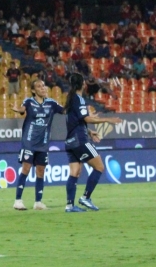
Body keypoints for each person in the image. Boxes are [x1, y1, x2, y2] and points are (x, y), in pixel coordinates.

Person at [63, 73, 122, 212]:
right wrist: (108, 119)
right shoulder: (79, 99)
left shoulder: (70, 99)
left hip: (70, 141)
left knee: (74, 173)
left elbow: (75, 122)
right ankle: (86, 197)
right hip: (80, 140)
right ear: (82, 84)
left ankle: (70, 206)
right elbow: (87, 119)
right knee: (99, 167)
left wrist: (89, 132)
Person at [11, 79, 64, 211]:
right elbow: (22, 109)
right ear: (33, 90)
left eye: (44, 86)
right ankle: (18, 201)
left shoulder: (51, 103)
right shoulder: (29, 102)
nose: (43, 88)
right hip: (29, 142)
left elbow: (65, 110)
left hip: (43, 143)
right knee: (26, 169)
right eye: (39, 86)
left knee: (41, 171)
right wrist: (18, 110)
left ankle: (38, 202)